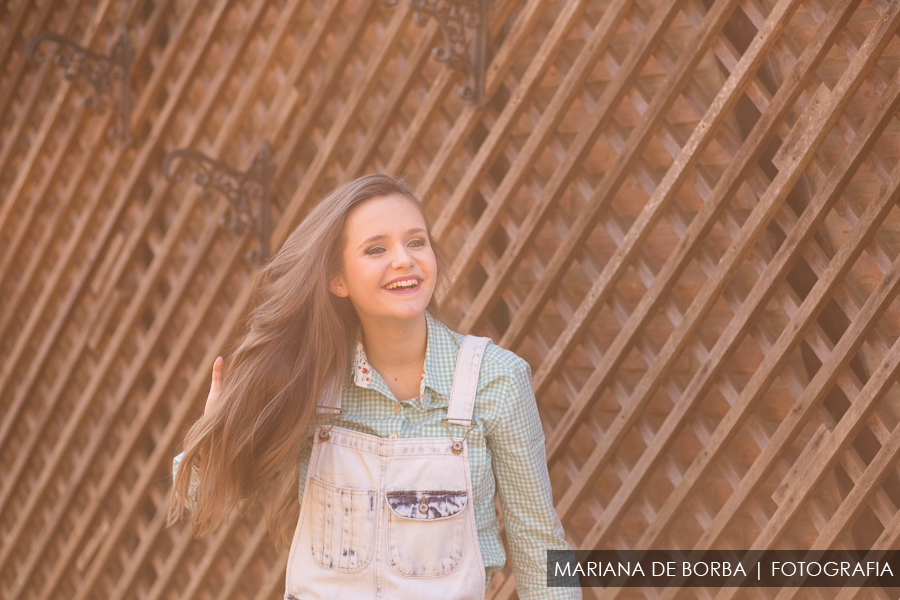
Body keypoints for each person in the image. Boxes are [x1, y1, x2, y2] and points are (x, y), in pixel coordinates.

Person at [169, 174, 580, 599]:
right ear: (338, 280)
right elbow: (200, 497)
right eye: (376, 249)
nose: (403, 260)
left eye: (416, 242)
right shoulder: (312, 379)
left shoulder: (495, 380)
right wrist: (216, 433)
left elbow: (540, 544)